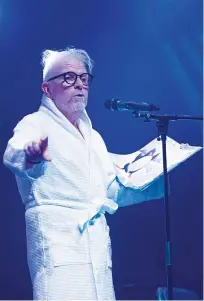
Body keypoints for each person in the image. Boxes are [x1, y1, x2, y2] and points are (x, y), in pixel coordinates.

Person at [3, 47, 164, 301]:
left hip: (97, 253)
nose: (79, 84)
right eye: (68, 77)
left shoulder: (95, 138)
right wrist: (31, 155)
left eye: (84, 78)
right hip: (58, 249)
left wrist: (157, 179)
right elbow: (14, 153)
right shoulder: (35, 123)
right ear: (47, 88)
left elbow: (110, 191)